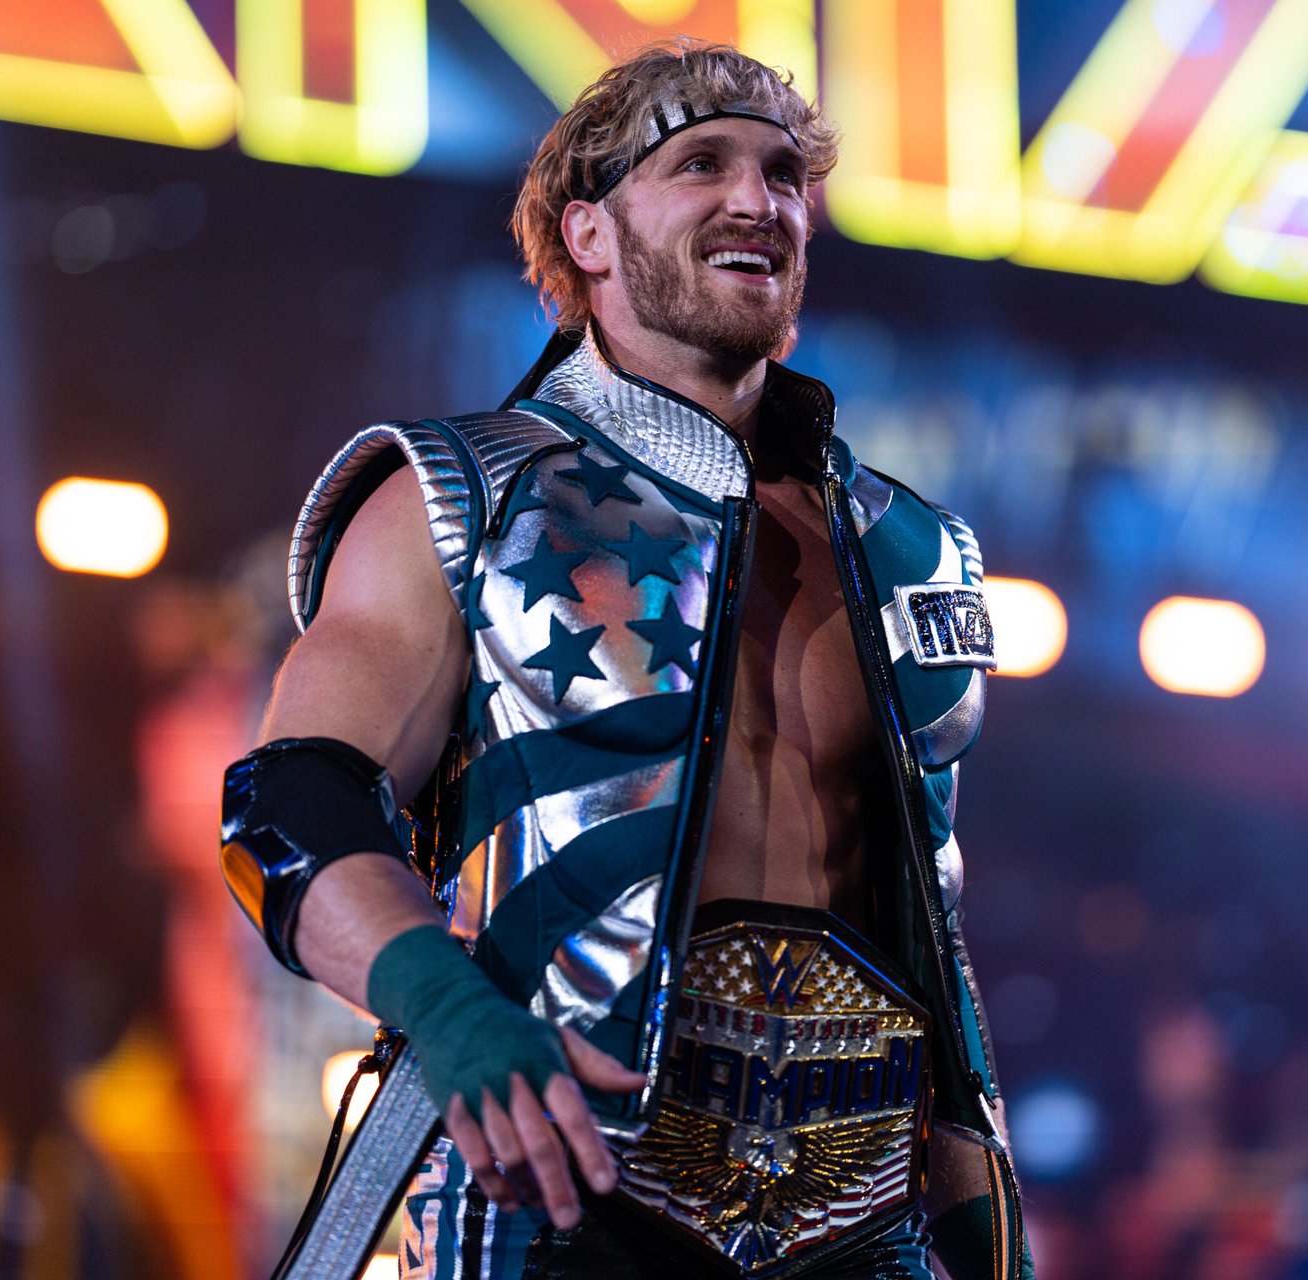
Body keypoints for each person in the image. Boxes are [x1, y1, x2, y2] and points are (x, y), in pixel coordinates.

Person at [221, 39, 1031, 1280]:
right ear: (588, 235)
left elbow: (929, 918)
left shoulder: (910, 546)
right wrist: (446, 1008)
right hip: (566, 1186)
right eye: (701, 163)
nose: (758, 200)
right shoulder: (465, 491)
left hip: (863, 1218)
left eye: (781, 174)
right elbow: (286, 804)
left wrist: (984, 1215)